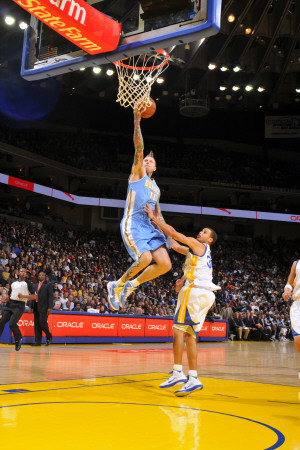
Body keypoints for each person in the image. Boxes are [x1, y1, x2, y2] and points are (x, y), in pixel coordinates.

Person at [144, 202, 219, 396]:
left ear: (209, 240)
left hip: (195, 292)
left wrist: (153, 218)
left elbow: (178, 235)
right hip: (205, 294)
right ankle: (193, 377)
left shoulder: (199, 245)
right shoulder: (194, 252)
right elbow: (173, 244)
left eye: (204, 232)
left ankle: (178, 372)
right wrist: (160, 222)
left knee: (177, 331)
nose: (200, 233)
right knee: (189, 336)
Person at [107, 110, 171, 310]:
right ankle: (116, 285)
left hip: (149, 227)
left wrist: (167, 232)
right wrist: (137, 121)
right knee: (145, 258)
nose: (146, 161)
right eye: (145, 160)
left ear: (155, 168)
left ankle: (130, 286)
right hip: (133, 223)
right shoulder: (137, 174)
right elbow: (139, 148)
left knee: (165, 265)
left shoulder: (157, 188)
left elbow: (158, 214)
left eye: (151, 162)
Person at [0, 268, 36, 351]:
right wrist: (5, 299)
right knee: (1, 322)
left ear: (26, 274)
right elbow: (10, 294)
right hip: (10, 304)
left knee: (12, 324)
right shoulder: (13, 282)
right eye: (21, 271)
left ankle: (18, 339)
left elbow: (35, 296)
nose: (23, 273)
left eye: (24, 272)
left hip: (19, 305)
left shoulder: (28, 283)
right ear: (18, 273)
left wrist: (24, 296)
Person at [24, 272, 53, 346]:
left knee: (42, 322)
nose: (41, 276)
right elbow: (33, 296)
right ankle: (37, 341)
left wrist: (50, 307)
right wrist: (30, 306)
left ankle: (49, 336)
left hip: (44, 306)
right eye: (40, 275)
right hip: (36, 306)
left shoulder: (48, 284)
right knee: (37, 324)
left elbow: (50, 297)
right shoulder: (35, 285)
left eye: (42, 275)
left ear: (45, 276)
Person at [282, 260, 300, 379]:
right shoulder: (296, 263)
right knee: (298, 340)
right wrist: (287, 289)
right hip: (298, 303)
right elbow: (289, 282)